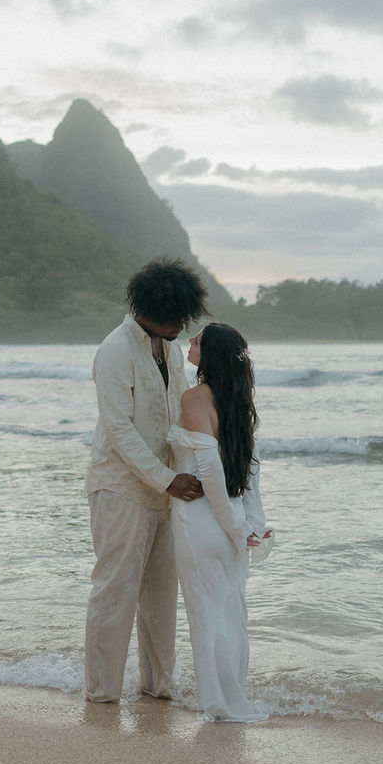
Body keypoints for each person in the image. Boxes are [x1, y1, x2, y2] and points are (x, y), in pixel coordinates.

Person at [84, 257, 209, 703]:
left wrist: (194, 475)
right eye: (176, 318)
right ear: (152, 308)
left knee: (161, 595)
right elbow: (119, 430)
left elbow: (177, 415)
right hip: (120, 487)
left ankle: (159, 688)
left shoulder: (170, 348)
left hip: (167, 487)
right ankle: (102, 693)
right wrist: (166, 478)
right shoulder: (116, 350)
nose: (181, 325)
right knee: (115, 590)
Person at [168, 323, 273, 723]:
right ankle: (232, 698)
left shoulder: (195, 397)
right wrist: (251, 523)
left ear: (209, 354)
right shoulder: (238, 401)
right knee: (232, 613)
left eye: (195, 341)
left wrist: (237, 528)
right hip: (230, 522)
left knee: (207, 616)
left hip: (202, 522)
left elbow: (210, 469)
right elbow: (251, 471)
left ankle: (221, 705)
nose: (188, 345)